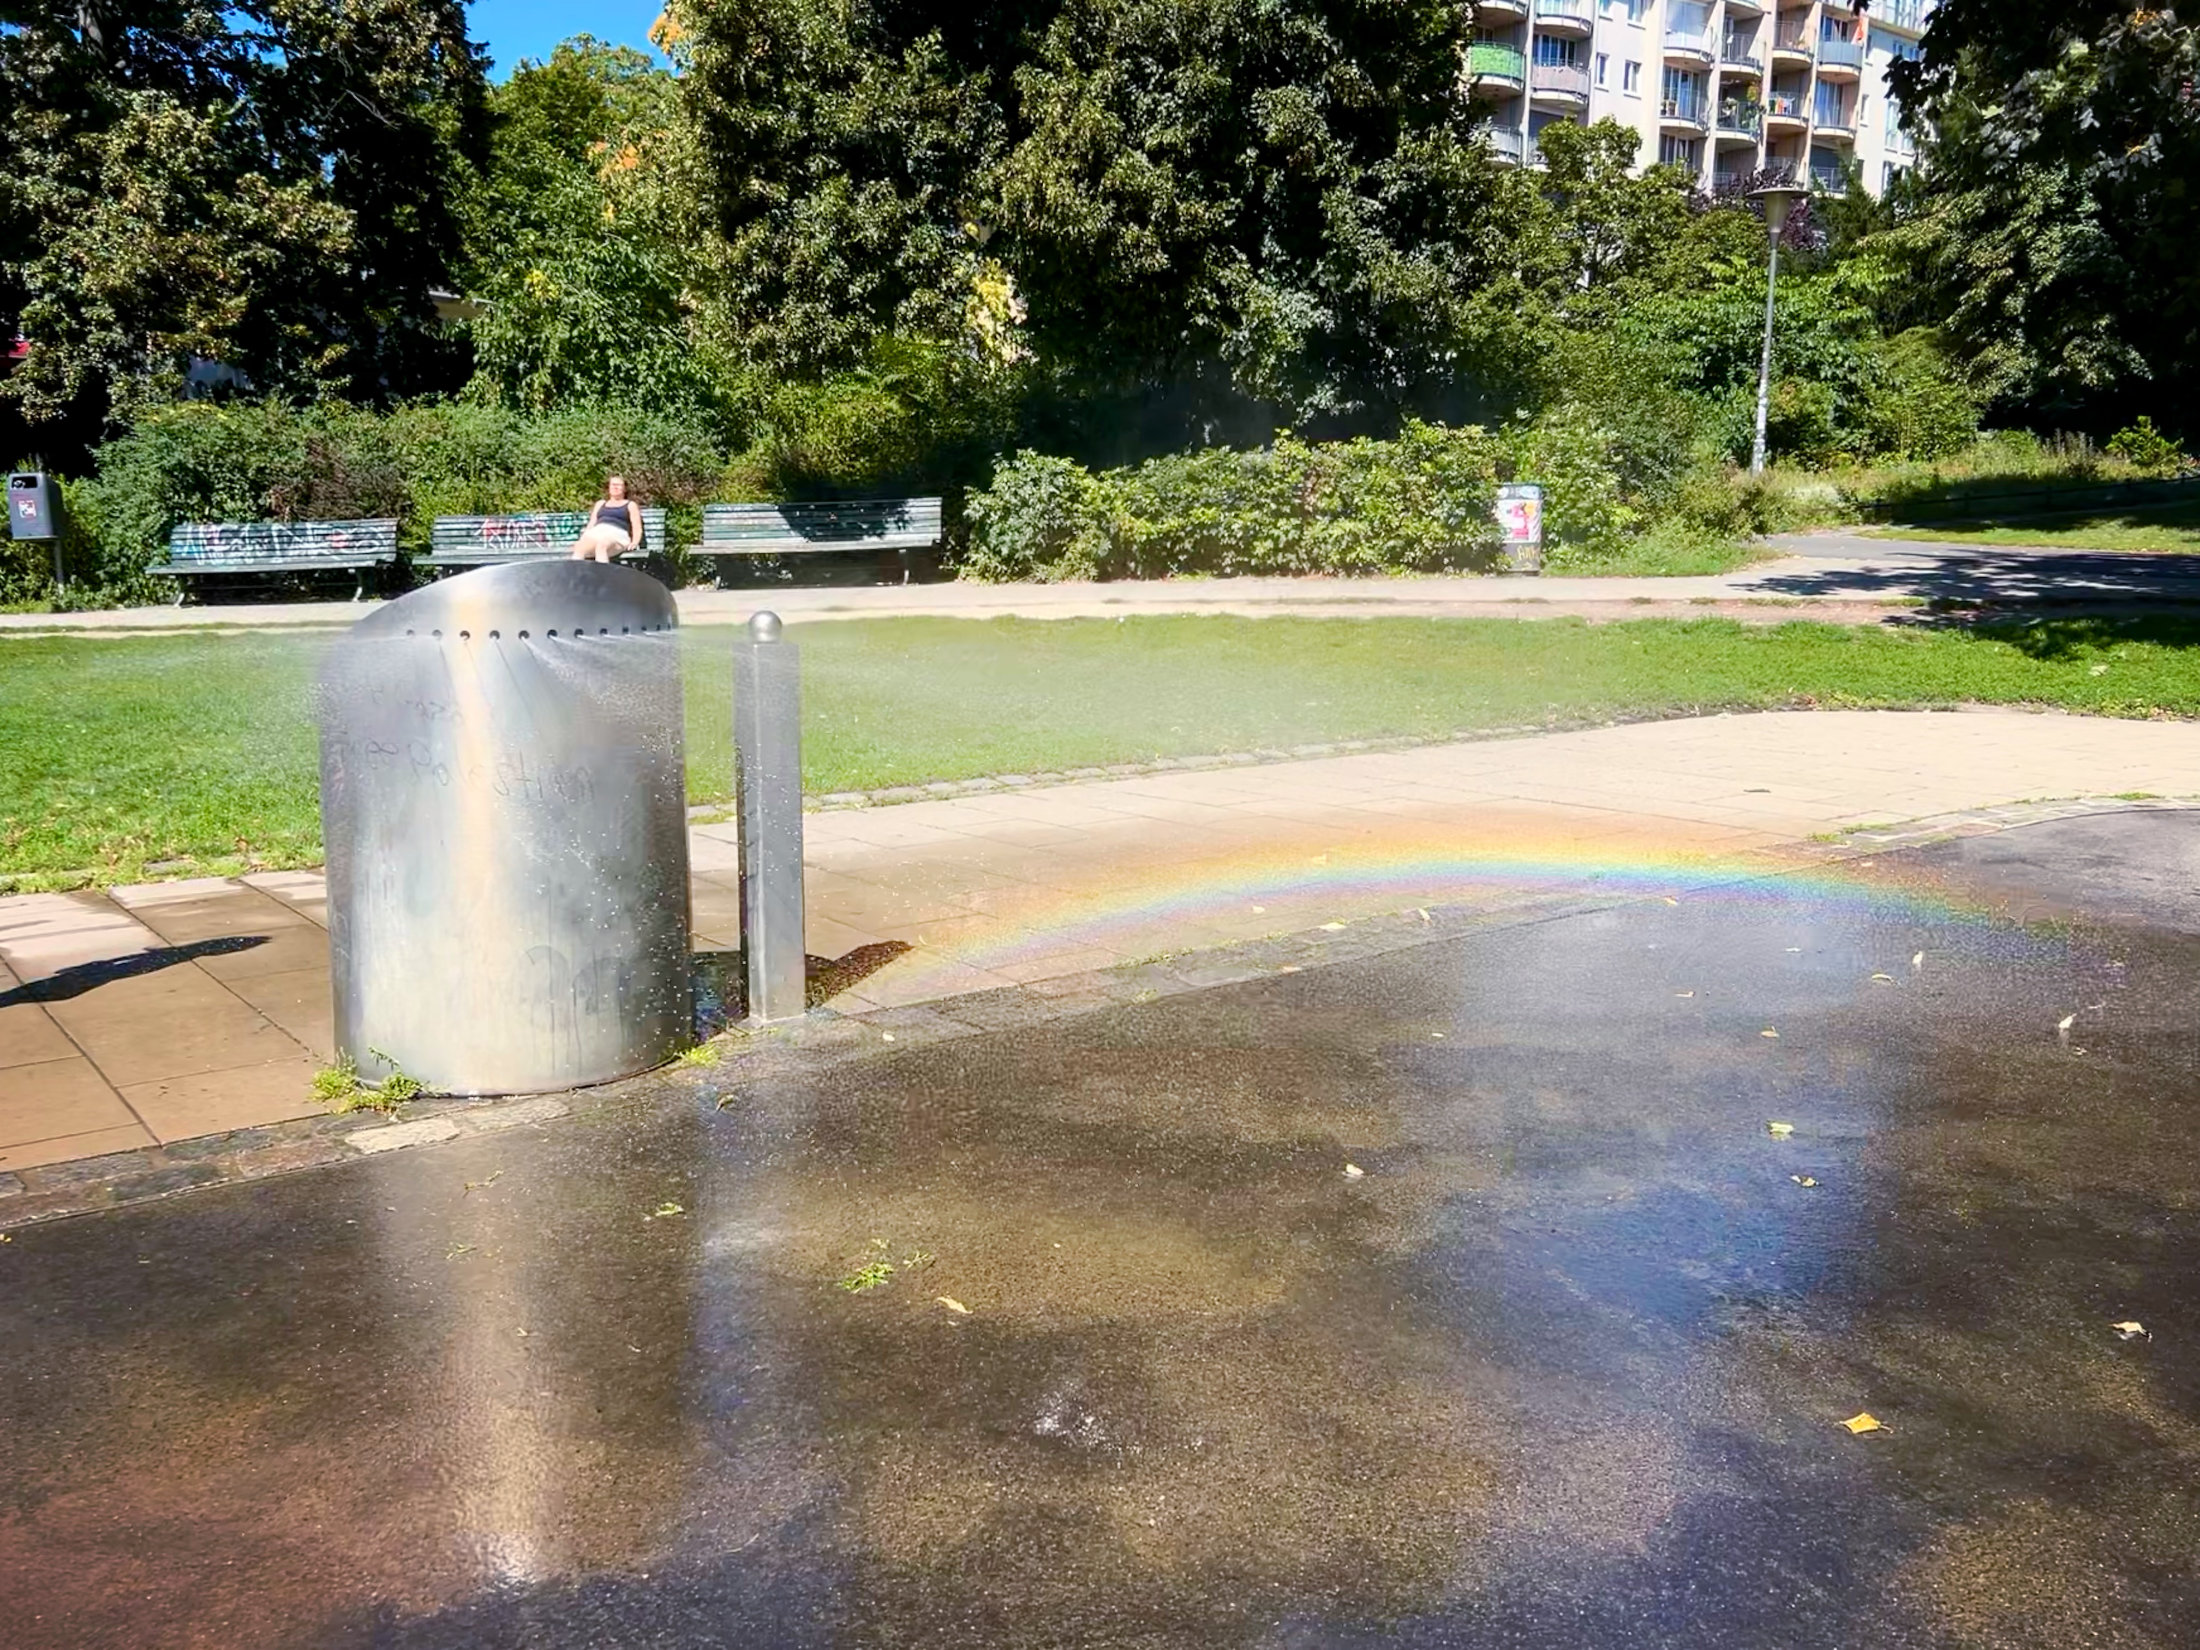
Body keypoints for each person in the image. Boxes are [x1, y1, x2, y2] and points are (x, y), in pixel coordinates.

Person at [569, 475, 643, 563]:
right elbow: (592, 523)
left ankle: (602, 575)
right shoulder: (600, 504)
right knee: (580, 547)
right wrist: (582, 539)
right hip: (597, 533)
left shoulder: (630, 505)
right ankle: (576, 575)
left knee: (602, 545)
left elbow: (637, 527)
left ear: (624, 488)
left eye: (619, 485)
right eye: (612, 484)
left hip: (617, 535)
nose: (615, 487)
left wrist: (635, 542)